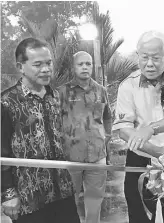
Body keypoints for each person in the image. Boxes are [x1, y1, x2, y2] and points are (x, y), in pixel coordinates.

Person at [112, 31, 164, 223]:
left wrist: (151, 129)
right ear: (137, 56)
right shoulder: (128, 86)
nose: (149, 64)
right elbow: (124, 131)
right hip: (142, 157)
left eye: (156, 58)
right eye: (144, 57)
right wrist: (156, 151)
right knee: (139, 214)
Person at [1, 37, 80, 223]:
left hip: (63, 191)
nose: (46, 69)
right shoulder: (7, 103)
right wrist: (8, 194)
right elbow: (1, 151)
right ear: (21, 67)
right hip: (29, 197)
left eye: (48, 63)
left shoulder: (57, 97)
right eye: (38, 64)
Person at [58, 51, 112, 223]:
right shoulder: (62, 92)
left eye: (88, 64)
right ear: (73, 67)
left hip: (97, 156)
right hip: (70, 156)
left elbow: (107, 117)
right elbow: (54, 119)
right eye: (80, 64)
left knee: (95, 200)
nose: (84, 67)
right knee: (68, 200)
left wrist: (107, 136)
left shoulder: (101, 91)